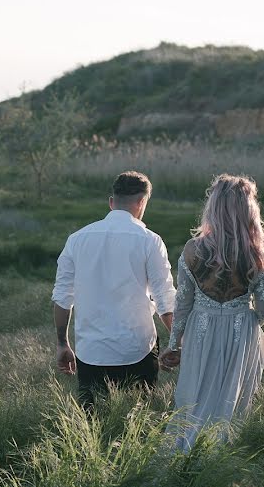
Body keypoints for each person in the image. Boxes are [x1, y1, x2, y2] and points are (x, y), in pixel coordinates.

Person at [159, 174, 264, 451]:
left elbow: (183, 304)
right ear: (249, 210)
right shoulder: (257, 253)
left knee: (194, 397)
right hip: (241, 332)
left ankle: (187, 452)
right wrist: (246, 320)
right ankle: (219, 454)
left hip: (201, 330)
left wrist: (174, 344)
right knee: (231, 399)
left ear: (213, 207)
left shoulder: (193, 250)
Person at [52, 171, 176, 411]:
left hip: (90, 353)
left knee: (93, 427)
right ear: (142, 203)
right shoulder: (150, 240)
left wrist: (62, 343)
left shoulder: (76, 240)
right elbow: (164, 299)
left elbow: (62, 298)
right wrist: (177, 343)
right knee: (139, 425)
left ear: (111, 202)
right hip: (137, 350)